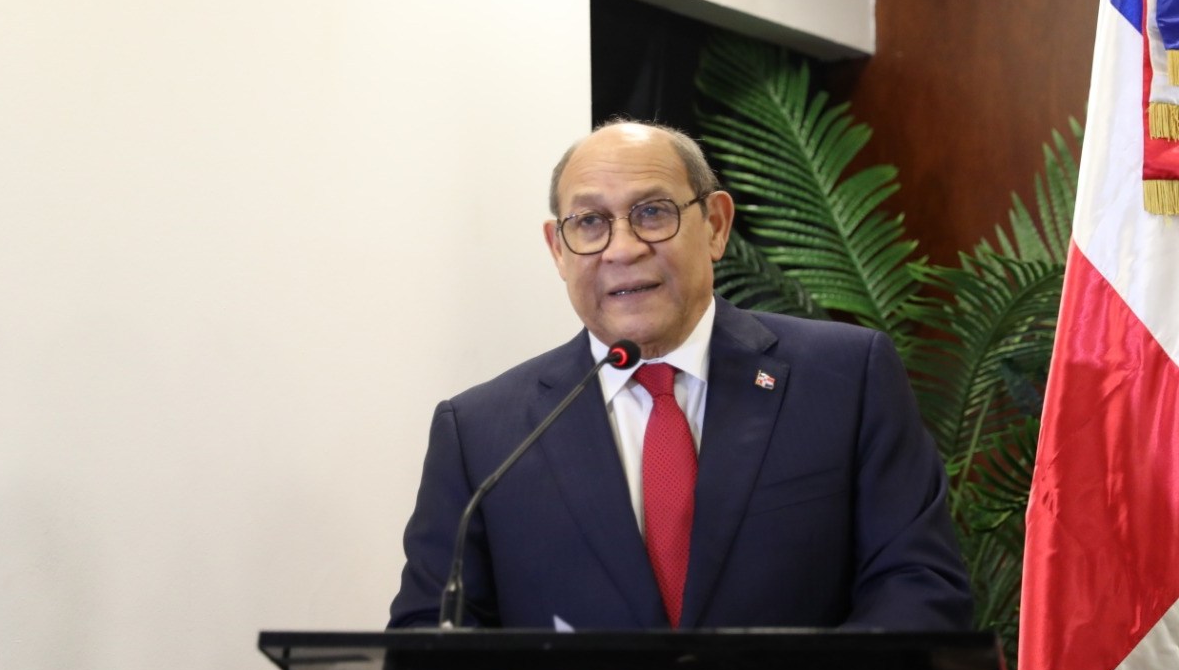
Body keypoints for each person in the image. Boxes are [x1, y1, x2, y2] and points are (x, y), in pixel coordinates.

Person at [388, 119, 972, 632]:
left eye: (652, 213)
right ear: (558, 249)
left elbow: (919, 586)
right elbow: (430, 635)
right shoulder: (482, 433)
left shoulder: (845, 378)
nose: (622, 249)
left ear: (715, 225)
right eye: (589, 222)